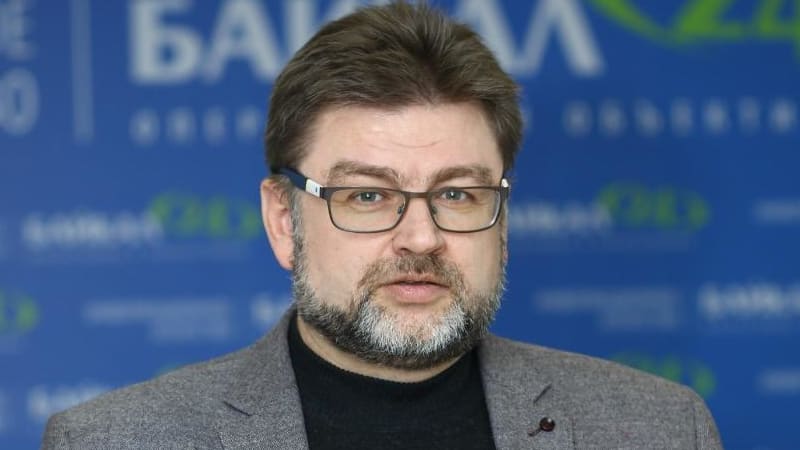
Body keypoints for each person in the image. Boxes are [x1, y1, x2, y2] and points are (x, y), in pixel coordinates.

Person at [41, 2, 722, 449]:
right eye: (367, 196)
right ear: (283, 219)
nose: (421, 238)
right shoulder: (114, 440)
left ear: (502, 216)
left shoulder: (660, 429)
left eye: (457, 193)